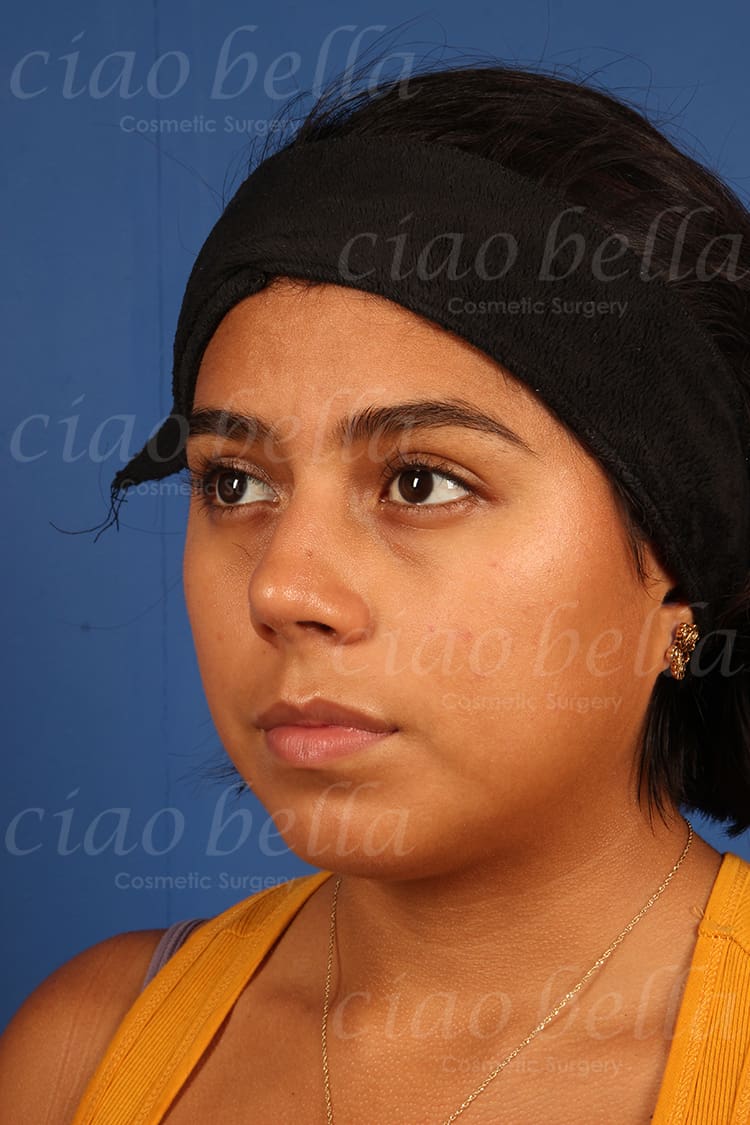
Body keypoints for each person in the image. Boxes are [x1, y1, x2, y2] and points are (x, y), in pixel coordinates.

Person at [1, 58, 750, 1125]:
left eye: (421, 483)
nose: (281, 588)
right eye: (235, 482)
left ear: (676, 561)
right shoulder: (82, 1053)